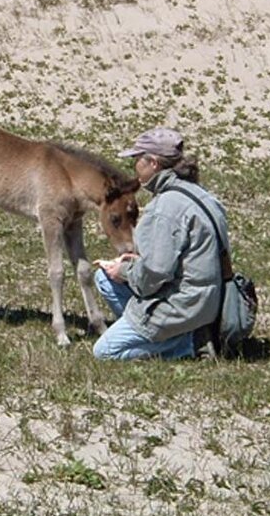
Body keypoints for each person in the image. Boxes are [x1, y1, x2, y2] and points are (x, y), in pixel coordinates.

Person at [92, 127, 230, 361]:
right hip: (210, 300)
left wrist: (124, 270)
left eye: (137, 159)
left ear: (153, 163)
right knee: (103, 278)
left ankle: (185, 344)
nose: (135, 166)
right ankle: (166, 334)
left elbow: (155, 274)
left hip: (183, 304)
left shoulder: (165, 208)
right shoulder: (201, 195)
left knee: (104, 352)